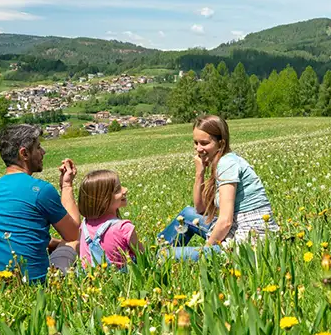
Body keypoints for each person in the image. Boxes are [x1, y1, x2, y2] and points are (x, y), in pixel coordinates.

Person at [157, 114, 277, 260]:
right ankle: (157, 255)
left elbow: (225, 221)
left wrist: (205, 251)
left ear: (221, 143)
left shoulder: (227, 164)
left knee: (163, 256)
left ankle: (156, 260)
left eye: (204, 143)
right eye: (196, 143)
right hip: (237, 227)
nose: (198, 149)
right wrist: (199, 173)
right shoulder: (222, 162)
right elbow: (200, 209)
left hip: (250, 239)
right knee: (187, 214)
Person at [0, 124, 81, 281]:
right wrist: (67, 186)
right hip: (33, 285)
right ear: (24, 153)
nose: (43, 152)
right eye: (38, 147)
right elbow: (73, 234)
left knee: (58, 245)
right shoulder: (40, 191)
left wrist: (52, 244)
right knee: (74, 244)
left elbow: (17, 234)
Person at [77, 170, 142, 270]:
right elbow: (144, 257)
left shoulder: (84, 225)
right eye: (117, 190)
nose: (125, 190)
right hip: (124, 280)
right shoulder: (124, 228)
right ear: (103, 200)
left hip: (91, 280)